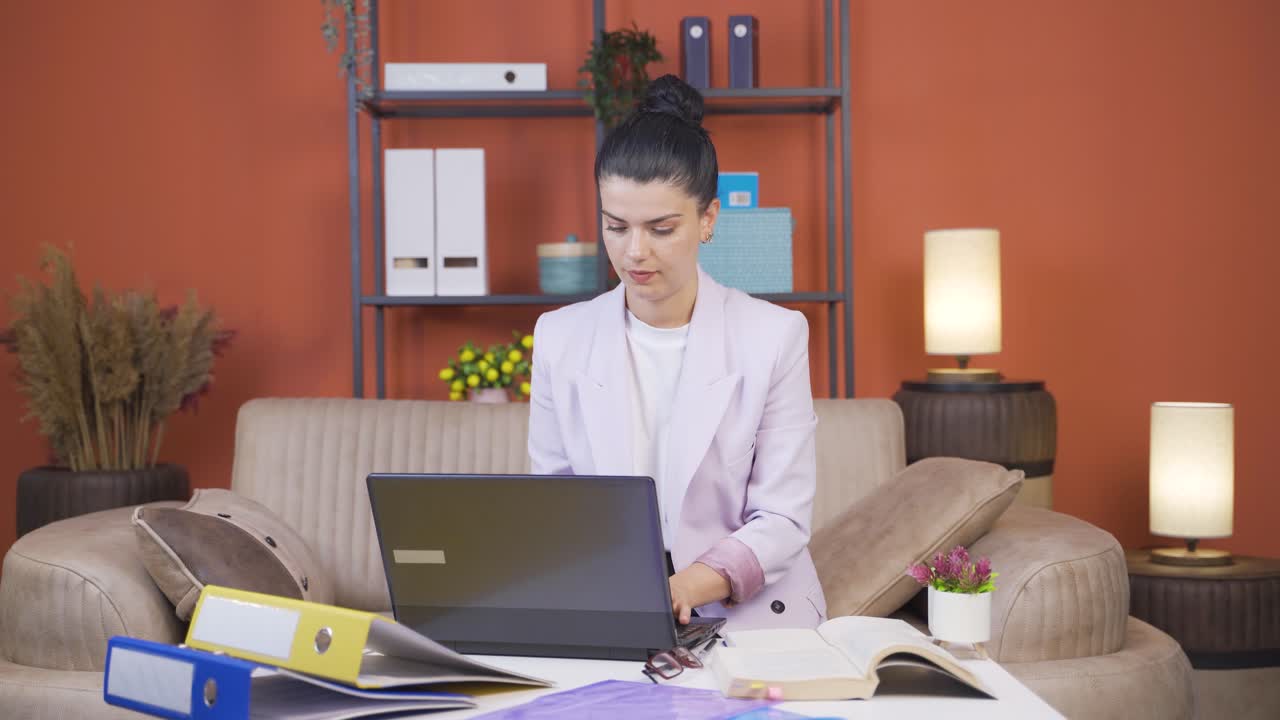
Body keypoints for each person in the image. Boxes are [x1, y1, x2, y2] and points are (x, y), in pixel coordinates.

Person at [527, 74, 825, 631]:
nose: (634, 252)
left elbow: (782, 519)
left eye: (661, 228)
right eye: (616, 226)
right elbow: (555, 505)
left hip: (748, 612)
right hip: (611, 607)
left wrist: (679, 588)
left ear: (707, 219)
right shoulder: (559, 337)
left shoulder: (774, 335)